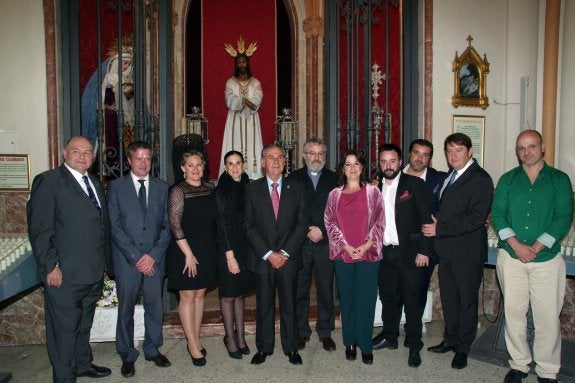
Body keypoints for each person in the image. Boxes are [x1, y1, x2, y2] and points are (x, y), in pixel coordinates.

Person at [27, 135, 113, 382]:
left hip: (92, 271)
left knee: (84, 323)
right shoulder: (49, 182)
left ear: (93, 157)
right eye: (77, 151)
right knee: (64, 331)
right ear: (65, 153)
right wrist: (50, 266)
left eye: (88, 153)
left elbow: (100, 228)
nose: (83, 156)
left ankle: (82, 364)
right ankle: (64, 377)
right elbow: (40, 230)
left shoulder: (94, 183)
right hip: (63, 274)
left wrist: (105, 264)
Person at [491, 130, 573, 383]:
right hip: (512, 258)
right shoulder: (507, 180)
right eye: (521, 148)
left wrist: (535, 247)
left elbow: (563, 218)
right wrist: (516, 246)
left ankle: (547, 370)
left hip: (546, 260)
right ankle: (519, 364)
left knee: (547, 317)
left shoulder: (559, 180)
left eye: (531, 146)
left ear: (543, 147)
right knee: (514, 314)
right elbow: (498, 215)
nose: (526, 152)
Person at [422, 133, 493, 370]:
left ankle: (463, 348)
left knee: (466, 302)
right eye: (449, 151)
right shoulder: (450, 176)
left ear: (470, 152)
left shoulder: (480, 179)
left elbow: (476, 218)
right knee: (450, 300)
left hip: (467, 252)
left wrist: (440, 227)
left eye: (459, 151)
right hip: (447, 250)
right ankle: (450, 340)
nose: (453, 156)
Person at [106, 141, 172, 378]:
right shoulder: (115, 187)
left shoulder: (163, 187)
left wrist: (152, 256)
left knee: (155, 307)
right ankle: (127, 354)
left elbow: (168, 226)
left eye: (148, 159)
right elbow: (113, 227)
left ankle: (153, 349)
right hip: (128, 262)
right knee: (126, 310)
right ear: (129, 161)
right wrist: (137, 257)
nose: (144, 163)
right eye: (139, 158)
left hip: (155, 261)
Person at [372, 139, 446, 345]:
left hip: (411, 253)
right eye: (383, 161)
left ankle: (414, 342)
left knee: (412, 300)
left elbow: (426, 220)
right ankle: (390, 336)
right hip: (384, 253)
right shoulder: (373, 188)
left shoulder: (414, 184)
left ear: (400, 162)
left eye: (392, 161)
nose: (388, 166)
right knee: (388, 298)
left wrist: (424, 251)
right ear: (379, 163)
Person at [244, 144, 308, 365]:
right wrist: (269, 253)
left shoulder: (297, 187)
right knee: (264, 306)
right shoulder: (251, 189)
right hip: (263, 260)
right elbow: (248, 226)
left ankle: (291, 348)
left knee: (289, 304)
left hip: (289, 259)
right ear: (263, 162)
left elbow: (302, 224)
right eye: (271, 157)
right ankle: (264, 347)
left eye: (280, 157)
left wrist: (285, 252)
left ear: (285, 162)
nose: (276, 161)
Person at [324, 150, 385, 365]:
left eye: (356, 163)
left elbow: (380, 221)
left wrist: (367, 244)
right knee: (347, 299)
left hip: (369, 254)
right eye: (348, 164)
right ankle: (350, 341)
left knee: (366, 300)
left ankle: (365, 345)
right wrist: (346, 246)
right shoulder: (334, 195)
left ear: (362, 168)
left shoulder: (373, 192)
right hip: (344, 254)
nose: (352, 168)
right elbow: (329, 223)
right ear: (342, 168)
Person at [166, 150, 217, 367]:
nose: (195, 170)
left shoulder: (209, 188)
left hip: (205, 249)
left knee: (199, 295)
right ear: (182, 168)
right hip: (184, 250)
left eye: (199, 165)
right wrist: (188, 254)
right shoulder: (178, 191)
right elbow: (175, 225)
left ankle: (195, 338)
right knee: (187, 296)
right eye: (191, 165)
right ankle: (192, 345)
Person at [290, 138, 337, 352]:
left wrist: (323, 230)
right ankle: (301, 332)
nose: (316, 158)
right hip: (301, 243)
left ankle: (325, 332)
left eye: (320, 154)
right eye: (311, 153)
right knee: (300, 289)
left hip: (326, 243)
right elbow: (289, 212)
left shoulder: (336, 179)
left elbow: (339, 212)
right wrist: (307, 229)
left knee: (326, 289)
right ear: (304, 156)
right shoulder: (292, 178)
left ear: (325, 157)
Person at [214, 150, 254, 359]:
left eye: (238, 163)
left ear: (244, 164)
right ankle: (229, 337)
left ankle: (241, 337)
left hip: (245, 249)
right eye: (230, 164)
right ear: (225, 167)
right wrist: (230, 256)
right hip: (227, 248)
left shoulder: (250, 187)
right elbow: (220, 226)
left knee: (240, 294)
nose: (235, 167)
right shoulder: (221, 190)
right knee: (229, 295)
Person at [220, 36, 263, 180]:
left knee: (253, 145)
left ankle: (254, 176)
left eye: (244, 61)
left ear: (247, 63)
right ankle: (232, 175)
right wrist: (243, 101)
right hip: (235, 119)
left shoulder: (255, 82)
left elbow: (258, 97)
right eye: (239, 62)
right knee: (234, 143)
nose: (242, 64)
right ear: (236, 64)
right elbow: (229, 99)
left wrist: (247, 102)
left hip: (251, 118)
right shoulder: (230, 82)